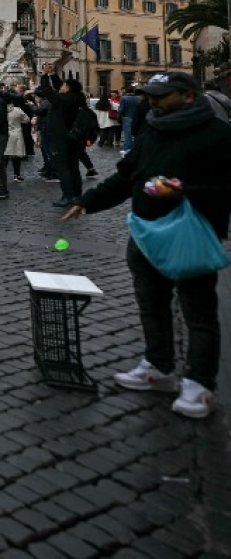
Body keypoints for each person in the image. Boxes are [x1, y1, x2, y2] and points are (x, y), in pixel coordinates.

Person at [63, 72, 231, 419]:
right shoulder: (153, 128)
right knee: (151, 303)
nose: (150, 101)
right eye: (149, 95)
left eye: (160, 95)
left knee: (198, 312)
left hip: (192, 233)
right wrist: (90, 200)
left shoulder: (218, 134)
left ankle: (200, 384)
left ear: (186, 96)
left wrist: (183, 191)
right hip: (146, 231)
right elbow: (128, 175)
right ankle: (158, 366)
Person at [39, 65, 88, 208]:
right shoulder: (78, 97)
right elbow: (59, 86)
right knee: (73, 166)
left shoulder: (62, 100)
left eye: (64, 86)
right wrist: (53, 74)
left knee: (62, 168)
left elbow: (47, 91)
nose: (60, 87)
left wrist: (44, 75)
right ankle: (77, 195)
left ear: (67, 89)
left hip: (61, 138)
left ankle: (67, 195)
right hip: (75, 137)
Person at [4, 97, 31, 181]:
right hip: (16, 134)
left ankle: (2, 175)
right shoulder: (17, 110)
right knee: (16, 155)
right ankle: (17, 175)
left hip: (5, 134)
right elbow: (26, 120)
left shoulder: (1, 110)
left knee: (5, 156)